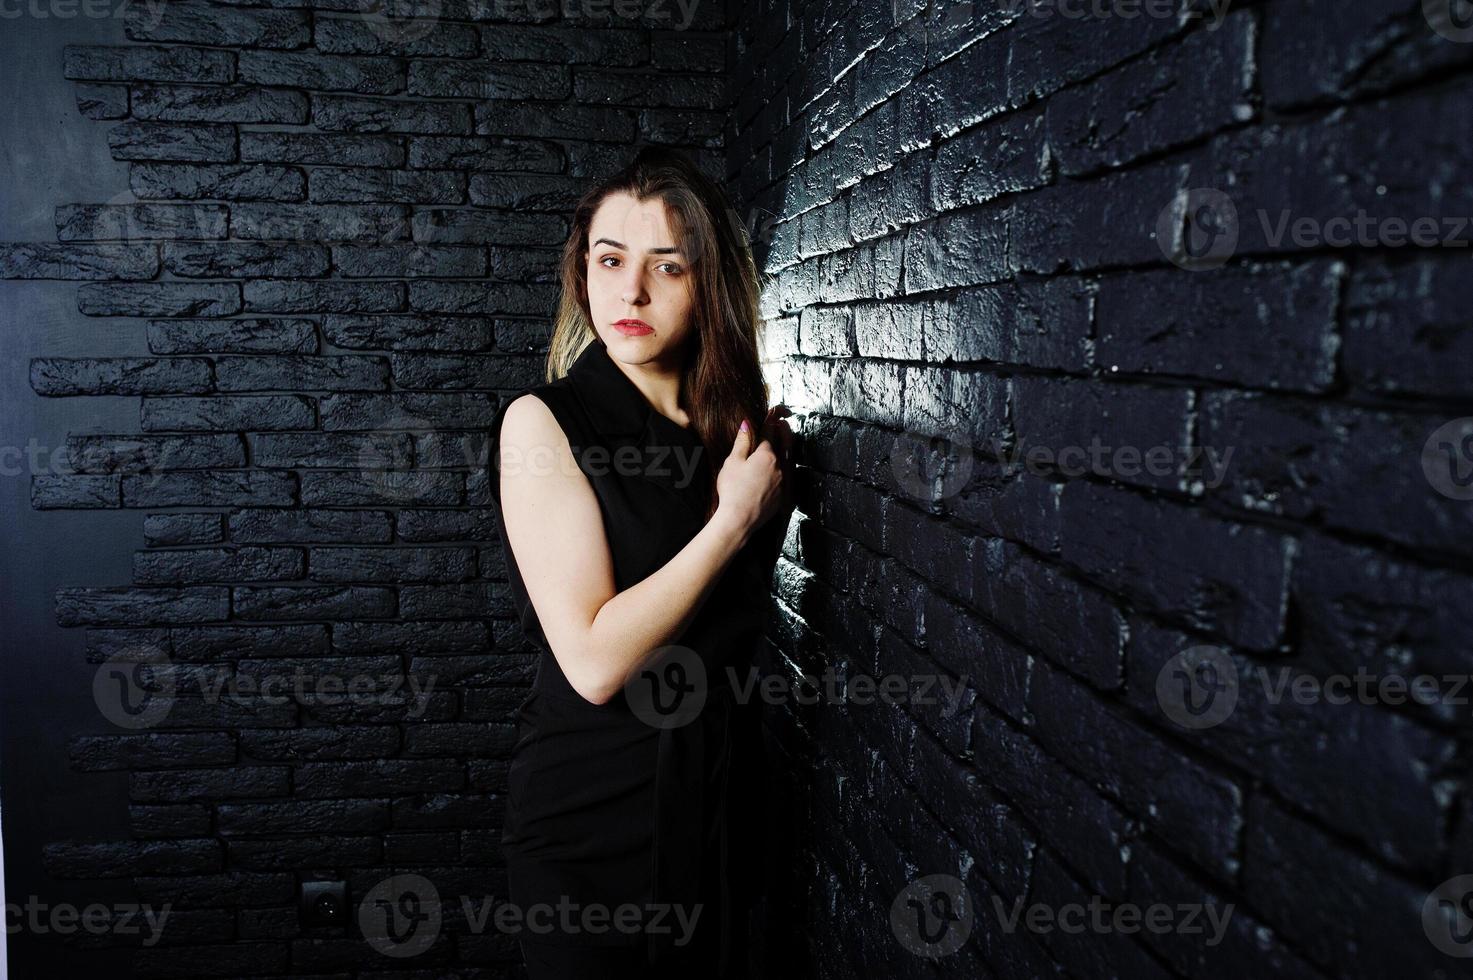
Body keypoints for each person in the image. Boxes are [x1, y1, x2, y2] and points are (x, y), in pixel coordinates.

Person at [486, 145, 796, 979]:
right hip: (590, 823)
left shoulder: (736, 435)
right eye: (609, 259)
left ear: (710, 284)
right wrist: (731, 523)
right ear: (580, 272)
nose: (630, 291)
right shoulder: (543, 424)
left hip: (717, 812)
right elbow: (591, 662)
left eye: (668, 265)